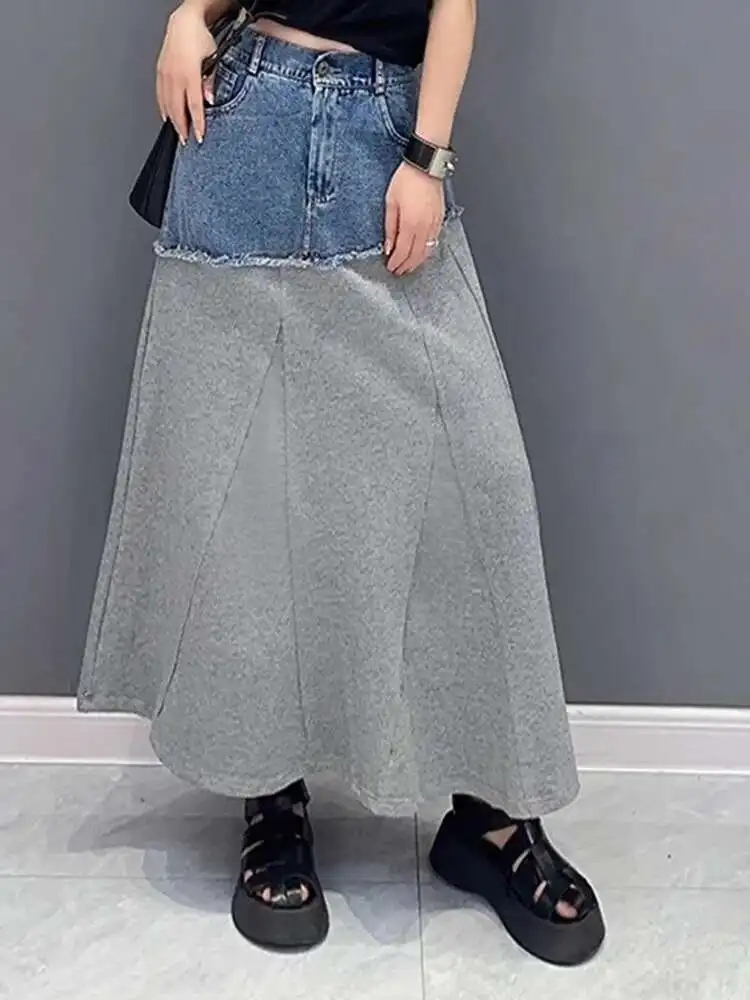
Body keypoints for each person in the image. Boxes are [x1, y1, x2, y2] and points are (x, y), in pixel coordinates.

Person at [77, 0, 606, 964]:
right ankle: (270, 795)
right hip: (245, 122)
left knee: (474, 477)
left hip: (382, 135)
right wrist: (189, 15)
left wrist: (427, 157)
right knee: (243, 492)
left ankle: (490, 817)